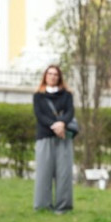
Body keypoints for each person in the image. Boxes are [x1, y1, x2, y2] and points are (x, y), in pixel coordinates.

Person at [32, 65, 74, 214]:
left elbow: (70, 112)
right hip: (44, 137)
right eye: (50, 74)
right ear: (45, 76)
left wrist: (62, 124)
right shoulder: (38, 95)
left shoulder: (67, 95)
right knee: (43, 173)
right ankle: (43, 205)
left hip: (63, 138)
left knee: (64, 173)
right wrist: (55, 125)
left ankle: (63, 206)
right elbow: (40, 115)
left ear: (59, 77)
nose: (52, 76)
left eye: (55, 74)